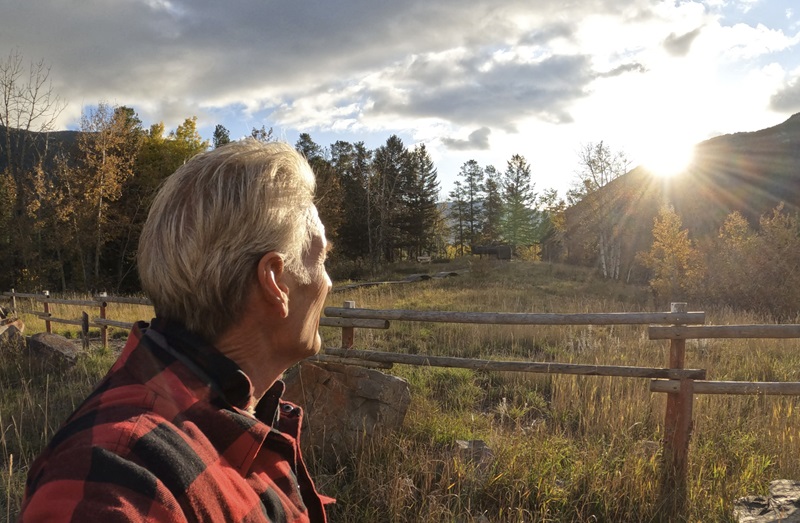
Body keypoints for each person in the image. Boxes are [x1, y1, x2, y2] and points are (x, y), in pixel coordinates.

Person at [20, 140, 334, 522]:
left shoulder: (247, 412)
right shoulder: (119, 477)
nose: (328, 283)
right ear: (276, 282)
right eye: (321, 258)